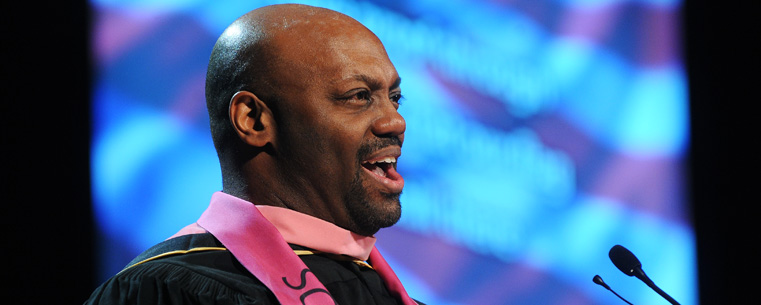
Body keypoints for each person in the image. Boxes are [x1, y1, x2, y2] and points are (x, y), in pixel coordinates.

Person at [84, 4, 422, 305]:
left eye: (394, 98)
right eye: (358, 96)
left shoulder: (382, 293)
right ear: (254, 120)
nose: (395, 121)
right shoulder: (166, 290)